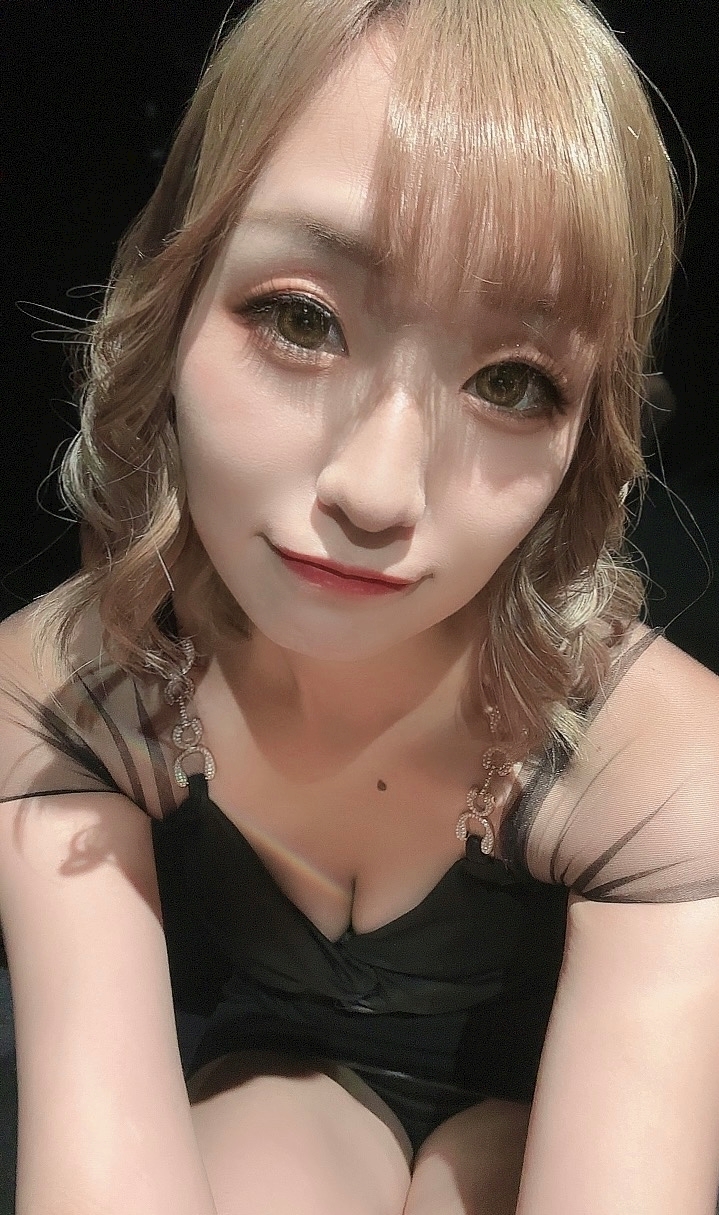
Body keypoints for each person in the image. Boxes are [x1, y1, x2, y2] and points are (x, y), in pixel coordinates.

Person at [1, 0, 718, 1212]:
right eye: (300, 319)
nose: (377, 494)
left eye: (511, 382)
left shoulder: (668, 771)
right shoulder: (58, 692)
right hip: (277, 1089)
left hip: (556, 1101)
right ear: (170, 300)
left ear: (584, 436)